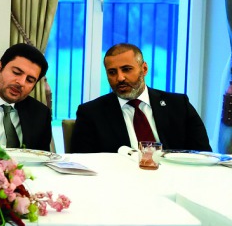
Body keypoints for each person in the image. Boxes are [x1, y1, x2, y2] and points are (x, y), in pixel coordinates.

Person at [71, 42, 211, 153]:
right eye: (112, 72)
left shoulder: (179, 105)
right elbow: (83, 163)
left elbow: (202, 153)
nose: (120, 78)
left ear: (144, 69)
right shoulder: (91, 113)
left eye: (126, 69)